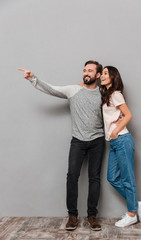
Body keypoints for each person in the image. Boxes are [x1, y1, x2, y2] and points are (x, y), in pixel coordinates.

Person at [18, 60, 105, 231]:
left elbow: (114, 109)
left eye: (90, 71)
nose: (86, 73)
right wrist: (33, 78)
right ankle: (72, 216)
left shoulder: (103, 92)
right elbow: (51, 89)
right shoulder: (73, 90)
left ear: (98, 75)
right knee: (72, 176)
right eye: (84, 70)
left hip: (98, 140)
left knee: (94, 178)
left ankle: (92, 216)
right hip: (78, 141)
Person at [100, 66, 141, 227]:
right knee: (112, 178)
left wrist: (115, 131)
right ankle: (136, 204)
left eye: (106, 73)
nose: (102, 76)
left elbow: (128, 115)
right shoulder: (107, 95)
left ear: (113, 77)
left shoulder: (115, 94)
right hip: (115, 142)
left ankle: (132, 214)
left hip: (122, 139)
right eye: (102, 73)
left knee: (128, 178)